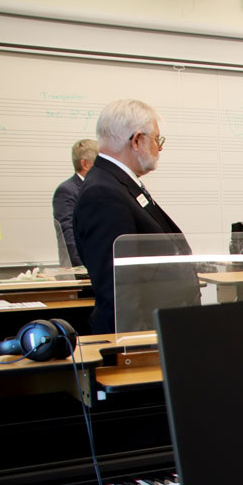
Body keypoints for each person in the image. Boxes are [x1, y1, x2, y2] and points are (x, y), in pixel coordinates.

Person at [74, 99, 197, 334]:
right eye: (157, 139)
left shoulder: (121, 184)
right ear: (137, 140)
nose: (160, 148)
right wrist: (135, 347)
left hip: (163, 327)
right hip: (140, 337)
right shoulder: (103, 193)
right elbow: (119, 288)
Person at [52, 138, 97, 267]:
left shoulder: (99, 188)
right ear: (85, 164)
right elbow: (68, 233)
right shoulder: (66, 190)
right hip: (80, 271)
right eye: (99, 163)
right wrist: (84, 265)